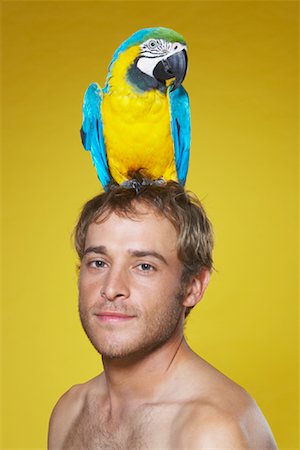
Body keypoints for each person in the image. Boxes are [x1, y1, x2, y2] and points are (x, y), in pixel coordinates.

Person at [48, 180, 277, 449]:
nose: (111, 289)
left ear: (193, 286)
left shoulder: (212, 432)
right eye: (98, 263)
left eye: (144, 266)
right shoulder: (69, 412)